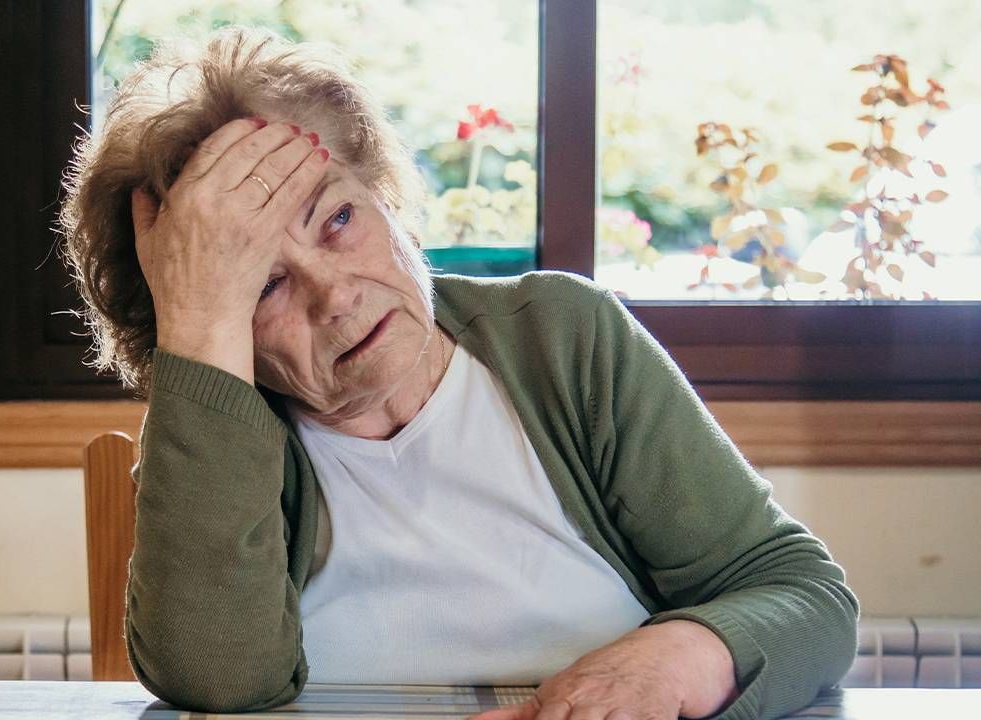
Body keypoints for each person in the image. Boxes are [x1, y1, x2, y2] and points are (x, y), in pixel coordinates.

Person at [58, 25, 859, 720]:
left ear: (387, 198)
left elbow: (803, 597)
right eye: (261, 283)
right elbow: (216, 682)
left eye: (337, 219)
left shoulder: (561, 339)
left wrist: (675, 656)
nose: (334, 296)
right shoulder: (219, 436)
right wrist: (199, 323)